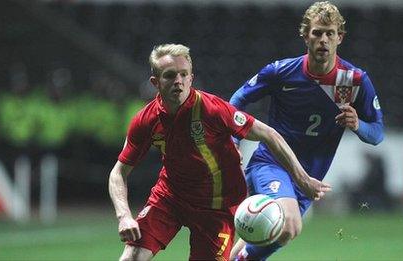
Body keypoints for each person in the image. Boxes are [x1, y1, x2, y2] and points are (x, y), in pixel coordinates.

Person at [108, 43, 331, 260]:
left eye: (184, 74)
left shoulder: (211, 108)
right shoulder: (145, 120)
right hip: (170, 198)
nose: (178, 81)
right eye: (170, 75)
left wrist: (303, 180)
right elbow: (118, 173)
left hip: (217, 208)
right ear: (155, 82)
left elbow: (269, 134)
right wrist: (124, 216)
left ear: (191, 78)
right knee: (132, 256)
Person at [229, 1, 384, 260]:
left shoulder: (353, 81)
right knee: (289, 223)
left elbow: (377, 134)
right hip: (271, 163)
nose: (323, 39)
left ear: (339, 38)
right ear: (305, 36)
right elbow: (236, 101)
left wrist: (358, 125)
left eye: (329, 33)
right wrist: (233, 140)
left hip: (309, 180)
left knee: (277, 234)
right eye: (317, 32)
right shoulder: (281, 72)